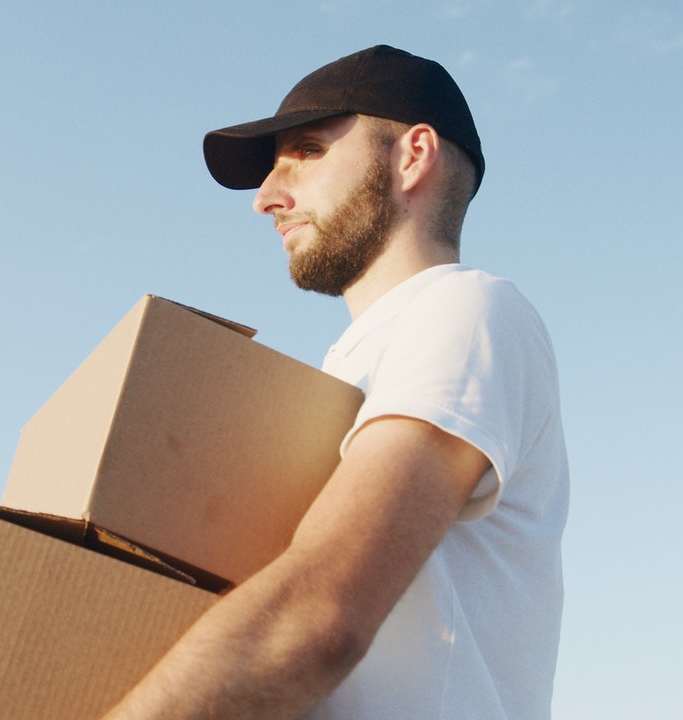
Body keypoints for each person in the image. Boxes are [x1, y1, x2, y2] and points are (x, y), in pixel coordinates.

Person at [101, 45, 568, 720]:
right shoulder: (347, 372)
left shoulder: (468, 310)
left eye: (307, 151)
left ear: (413, 156)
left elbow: (318, 619)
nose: (266, 197)